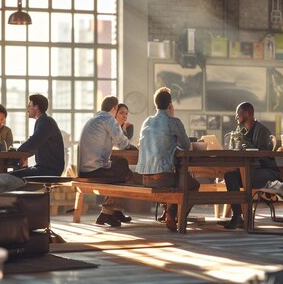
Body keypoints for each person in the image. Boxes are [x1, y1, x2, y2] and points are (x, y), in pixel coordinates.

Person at [136, 87, 199, 231]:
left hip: (145, 178)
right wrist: (171, 116)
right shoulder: (173, 122)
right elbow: (186, 145)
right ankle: (174, 216)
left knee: (176, 178)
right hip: (163, 178)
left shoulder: (146, 121)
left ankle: (169, 213)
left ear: (155, 104)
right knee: (192, 184)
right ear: (170, 104)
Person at [78, 96, 135, 227]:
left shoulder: (94, 119)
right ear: (115, 108)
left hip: (85, 169)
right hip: (94, 170)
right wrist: (132, 146)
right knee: (123, 166)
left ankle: (113, 211)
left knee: (122, 171)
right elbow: (122, 143)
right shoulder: (109, 119)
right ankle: (107, 213)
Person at [223, 101, 279, 229]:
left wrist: (248, 148)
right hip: (251, 170)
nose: (237, 117)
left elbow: (263, 156)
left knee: (243, 176)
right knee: (230, 176)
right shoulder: (243, 131)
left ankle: (243, 217)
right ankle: (237, 216)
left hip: (267, 171)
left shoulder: (261, 131)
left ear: (247, 113)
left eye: (238, 114)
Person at [11, 94, 65, 178]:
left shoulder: (46, 121)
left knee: (10, 176)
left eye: (29, 105)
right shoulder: (43, 121)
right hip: (46, 168)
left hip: (49, 170)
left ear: (36, 107)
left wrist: (15, 157)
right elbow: (34, 143)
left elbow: (32, 142)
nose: (27, 109)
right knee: (15, 173)